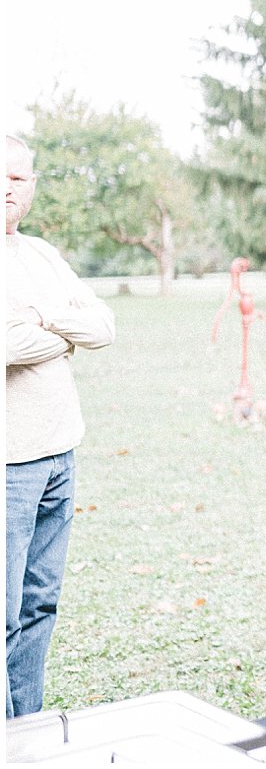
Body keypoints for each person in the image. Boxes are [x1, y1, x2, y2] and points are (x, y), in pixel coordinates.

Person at [6, 135, 116, 718]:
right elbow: (6, 342)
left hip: (58, 454)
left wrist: (45, 319)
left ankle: (27, 728)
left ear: (31, 186)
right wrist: (64, 331)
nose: (6, 187)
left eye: (18, 178)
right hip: (8, 465)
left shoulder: (42, 255)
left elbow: (104, 327)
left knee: (39, 603)